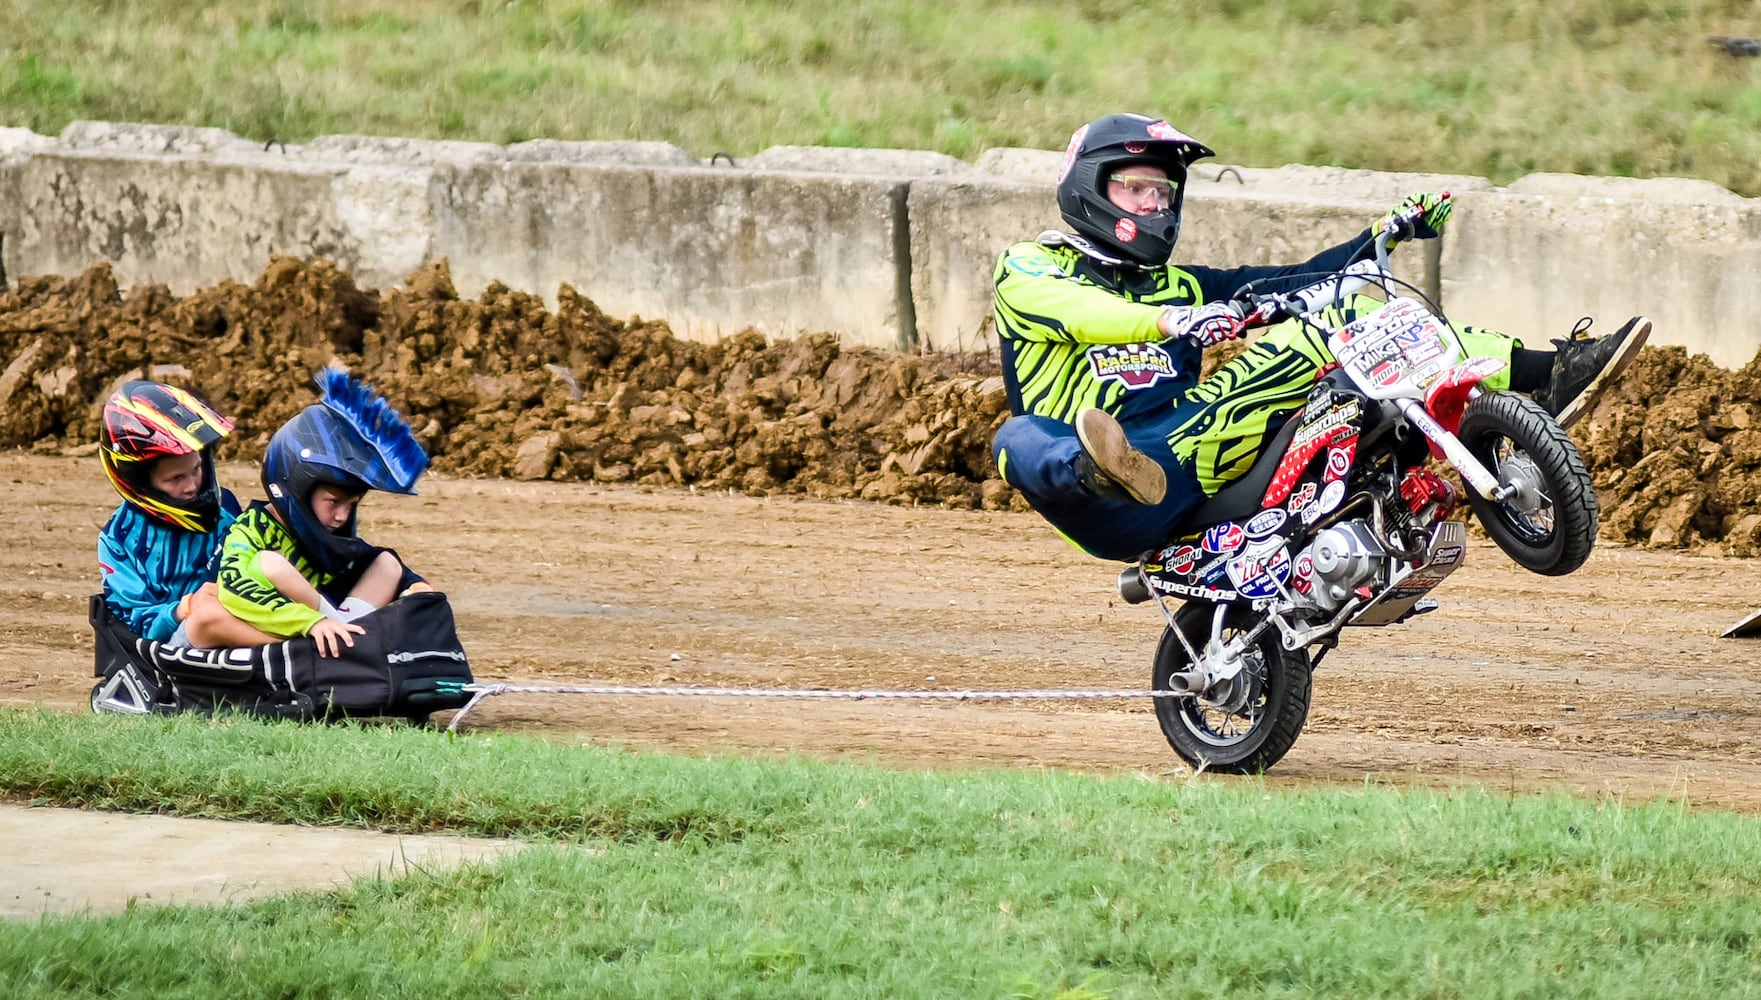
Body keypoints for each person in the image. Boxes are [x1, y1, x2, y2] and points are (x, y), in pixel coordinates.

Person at [991, 112, 1651, 561]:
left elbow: (1300, 280)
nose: (1153, 205)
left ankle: (1547, 373)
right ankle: (1098, 466)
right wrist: (1173, 324)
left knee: (1342, 321)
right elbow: (1076, 311)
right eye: (1135, 188)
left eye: (1163, 193)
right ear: (1091, 188)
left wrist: (1382, 235)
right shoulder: (1030, 268)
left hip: (1190, 450)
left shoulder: (1181, 287)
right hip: (1098, 502)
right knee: (1014, 438)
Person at [216, 368, 433, 658]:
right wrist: (312, 622)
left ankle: (347, 637)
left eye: (351, 505)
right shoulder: (249, 530)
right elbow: (233, 586)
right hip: (295, 627)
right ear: (296, 486)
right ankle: (343, 638)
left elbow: (362, 560)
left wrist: (414, 586)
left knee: (387, 563)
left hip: (336, 620)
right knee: (270, 563)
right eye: (333, 502)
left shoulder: (329, 535)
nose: (343, 516)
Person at [97, 381, 275, 648]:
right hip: (177, 644)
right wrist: (184, 607)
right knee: (208, 617)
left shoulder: (224, 508)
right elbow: (133, 620)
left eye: (196, 469)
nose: (191, 485)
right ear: (140, 482)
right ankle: (298, 650)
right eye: (176, 478)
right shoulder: (119, 539)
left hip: (239, 620)